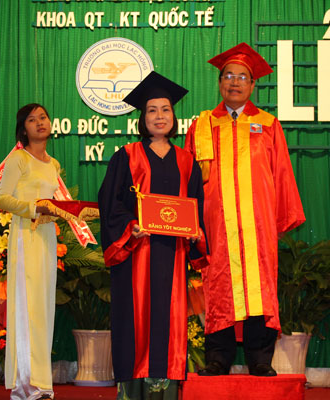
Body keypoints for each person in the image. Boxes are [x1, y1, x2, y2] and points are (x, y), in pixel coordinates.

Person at [184, 43, 306, 377]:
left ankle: (260, 359)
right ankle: (218, 358)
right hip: (216, 225)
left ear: (253, 85)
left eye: (242, 77)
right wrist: (191, 222)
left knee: (259, 288)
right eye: (228, 76)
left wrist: (278, 219)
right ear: (219, 82)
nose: (234, 82)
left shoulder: (268, 124)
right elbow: (189, 180)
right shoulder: (202, 125)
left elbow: (281, 173)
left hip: (257, 225)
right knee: (218, 286)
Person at [99, 71, 208, 399]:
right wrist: (130, 226)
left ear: (174, 116)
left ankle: (166, 393)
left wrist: (196, 234)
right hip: (136, 254)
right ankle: (131, 392)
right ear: (142, 118)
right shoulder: (126, 156)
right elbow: (110, 203)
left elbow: (197, 208)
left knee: (169, 322)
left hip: (172, 257)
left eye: (165, 110)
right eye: (152, 110)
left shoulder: (187, 162)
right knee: (134, 324)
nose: (159, 116)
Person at [0, 103, 60, 400]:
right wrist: (34, 209)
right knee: (26, 308)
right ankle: (25, 386)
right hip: (25, 235)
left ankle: (42, 383)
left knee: (43, 308)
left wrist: (63, 212)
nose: (39, 123)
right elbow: (2, 199)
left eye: (43, 117)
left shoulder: (53, 164)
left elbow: (53, 203)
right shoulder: (18, 159)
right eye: (32, 120)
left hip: (47, 237)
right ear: (24, 129)